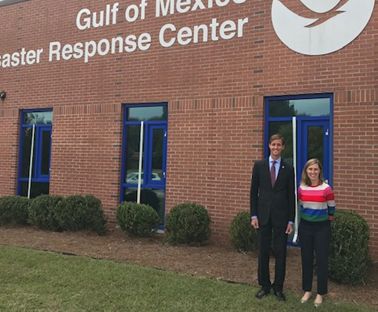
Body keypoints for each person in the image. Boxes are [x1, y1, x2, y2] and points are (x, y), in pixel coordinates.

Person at [250, 133, 295, 302]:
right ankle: (265, 285)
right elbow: (253, 193)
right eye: (273, 145)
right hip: (262, 217)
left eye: (279, 145)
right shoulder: (259, 166)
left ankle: (278, 287)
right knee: (263, 252)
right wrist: (253, 214)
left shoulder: (288, 168)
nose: (276, 148)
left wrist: (291, 220)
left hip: (282, 218)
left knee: (281, 253)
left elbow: (291, 196)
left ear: (283, 147)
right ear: (269, 146)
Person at [298, 158, 335, 308]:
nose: (313, 172)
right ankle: (307, 290)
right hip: (305, 227)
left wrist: (323, 221)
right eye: (310, 169)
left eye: (315, 169)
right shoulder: (301, 188)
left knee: (321, 260)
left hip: (321, 228)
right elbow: (300, 207)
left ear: (319, 171)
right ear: (306, 171)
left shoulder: (327, 189)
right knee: (306, 259)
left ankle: (320, 293)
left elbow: (331, 210)